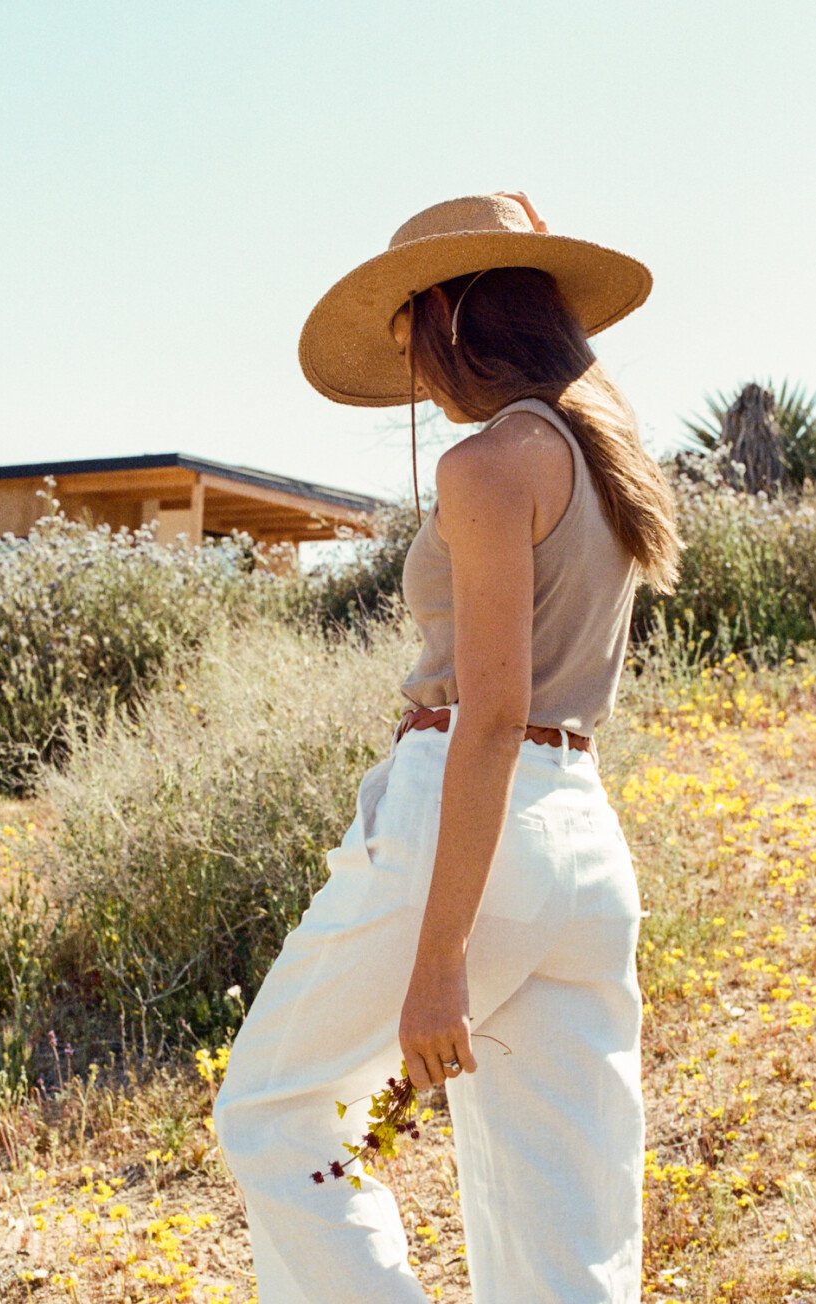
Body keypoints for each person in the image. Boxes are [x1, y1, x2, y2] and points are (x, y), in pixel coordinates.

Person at [213, 190, 683, 1303]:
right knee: (562, 1215)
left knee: (280, 1113)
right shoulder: (605, 460)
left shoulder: (488, 465)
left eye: (409, 329)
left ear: (452, 314)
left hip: (467, 825)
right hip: (581, 838)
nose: (411, 362)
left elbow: (486, 715)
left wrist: (437, 965)